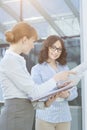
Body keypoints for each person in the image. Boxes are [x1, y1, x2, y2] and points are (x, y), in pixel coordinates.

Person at [0, 22, 74, 130]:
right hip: (15, 118)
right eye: (33, 41)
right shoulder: (10, 61)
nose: (33, 46)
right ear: (24, 39)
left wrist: (45, 104)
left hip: (22, 117)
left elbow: (27, 97)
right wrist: (56, 78)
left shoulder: (18, 60)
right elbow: (34, 92)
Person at [31, 35, 78, 130]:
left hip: (64, 118)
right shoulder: (37, 69)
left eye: (59, 49)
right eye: (53, 48)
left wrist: (67, 94)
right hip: (45, 118)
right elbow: (36, 94)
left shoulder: (64, 68)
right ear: (47, 47)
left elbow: (74, 92)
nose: (56, 52)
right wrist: (55, 91)